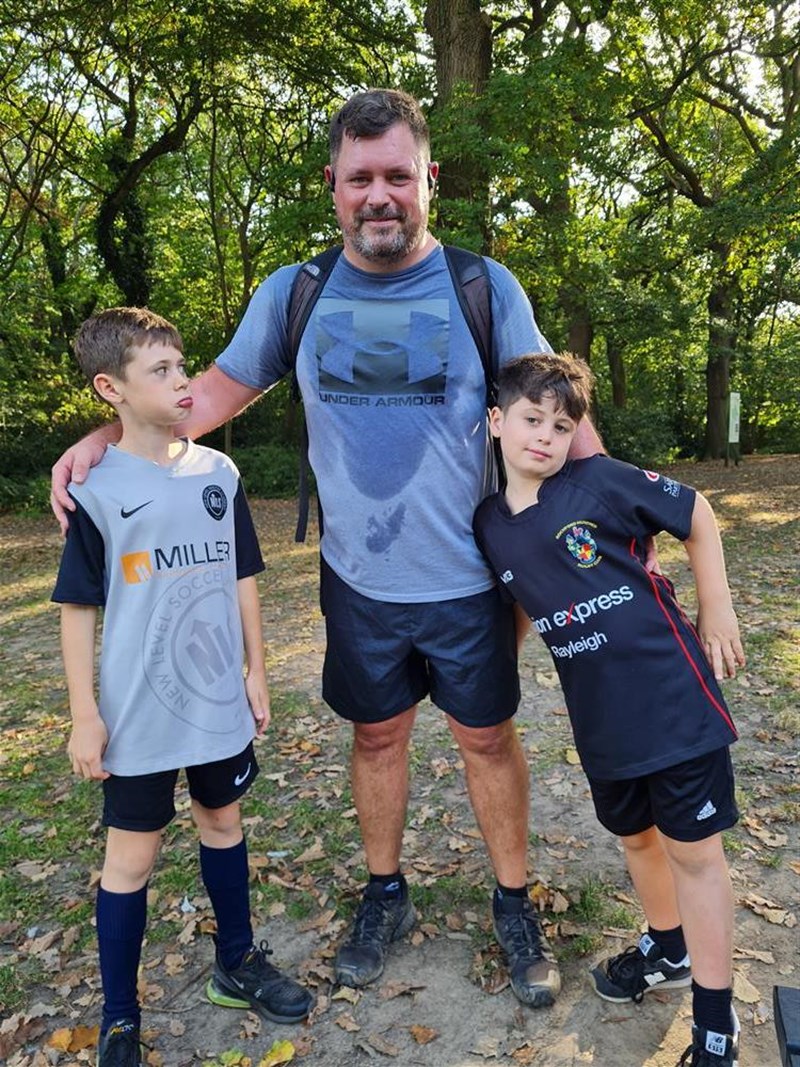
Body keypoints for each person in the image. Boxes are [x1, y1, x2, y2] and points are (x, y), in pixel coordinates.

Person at [51, 89, 605, 1007]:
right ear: (333, 185)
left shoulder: (483, 288)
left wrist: (618, 524)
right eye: (360, 178)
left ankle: (514, 903)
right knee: (377, 734)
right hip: (359, 579)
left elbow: (562, 416)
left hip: (470, 577)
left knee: (486, 738)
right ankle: (384, 892)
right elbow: (205, 397)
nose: (379, 195)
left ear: (428, 179)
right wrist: (101, 439)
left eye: (397, 176)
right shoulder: (296, 293)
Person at [52, 308, 312, 1067]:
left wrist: (257, 668)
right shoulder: (96, 489)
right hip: (136, 713)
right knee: (129, 861)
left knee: (223, 822)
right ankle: (120, 1018)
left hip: (215, 700)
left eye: (182, 365)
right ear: (112, 389)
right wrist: (83, 714)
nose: (181, 380)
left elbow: (243, 576)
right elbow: (77, 610)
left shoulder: (218, 474)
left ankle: (237, 961)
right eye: (160, 370)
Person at [473, 353, 745, 1067]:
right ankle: (669, 947)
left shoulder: (597, 482)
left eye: (561, 426)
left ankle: (715, 1025)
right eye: (531, 419)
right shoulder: (489, 524)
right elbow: (527, 595)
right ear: (497, 421)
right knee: (637, 838)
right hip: (600, 719)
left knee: (695, 854)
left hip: (672, 699)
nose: (545, 436)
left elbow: (695, 512)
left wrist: (716, 605)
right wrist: (502, 661)